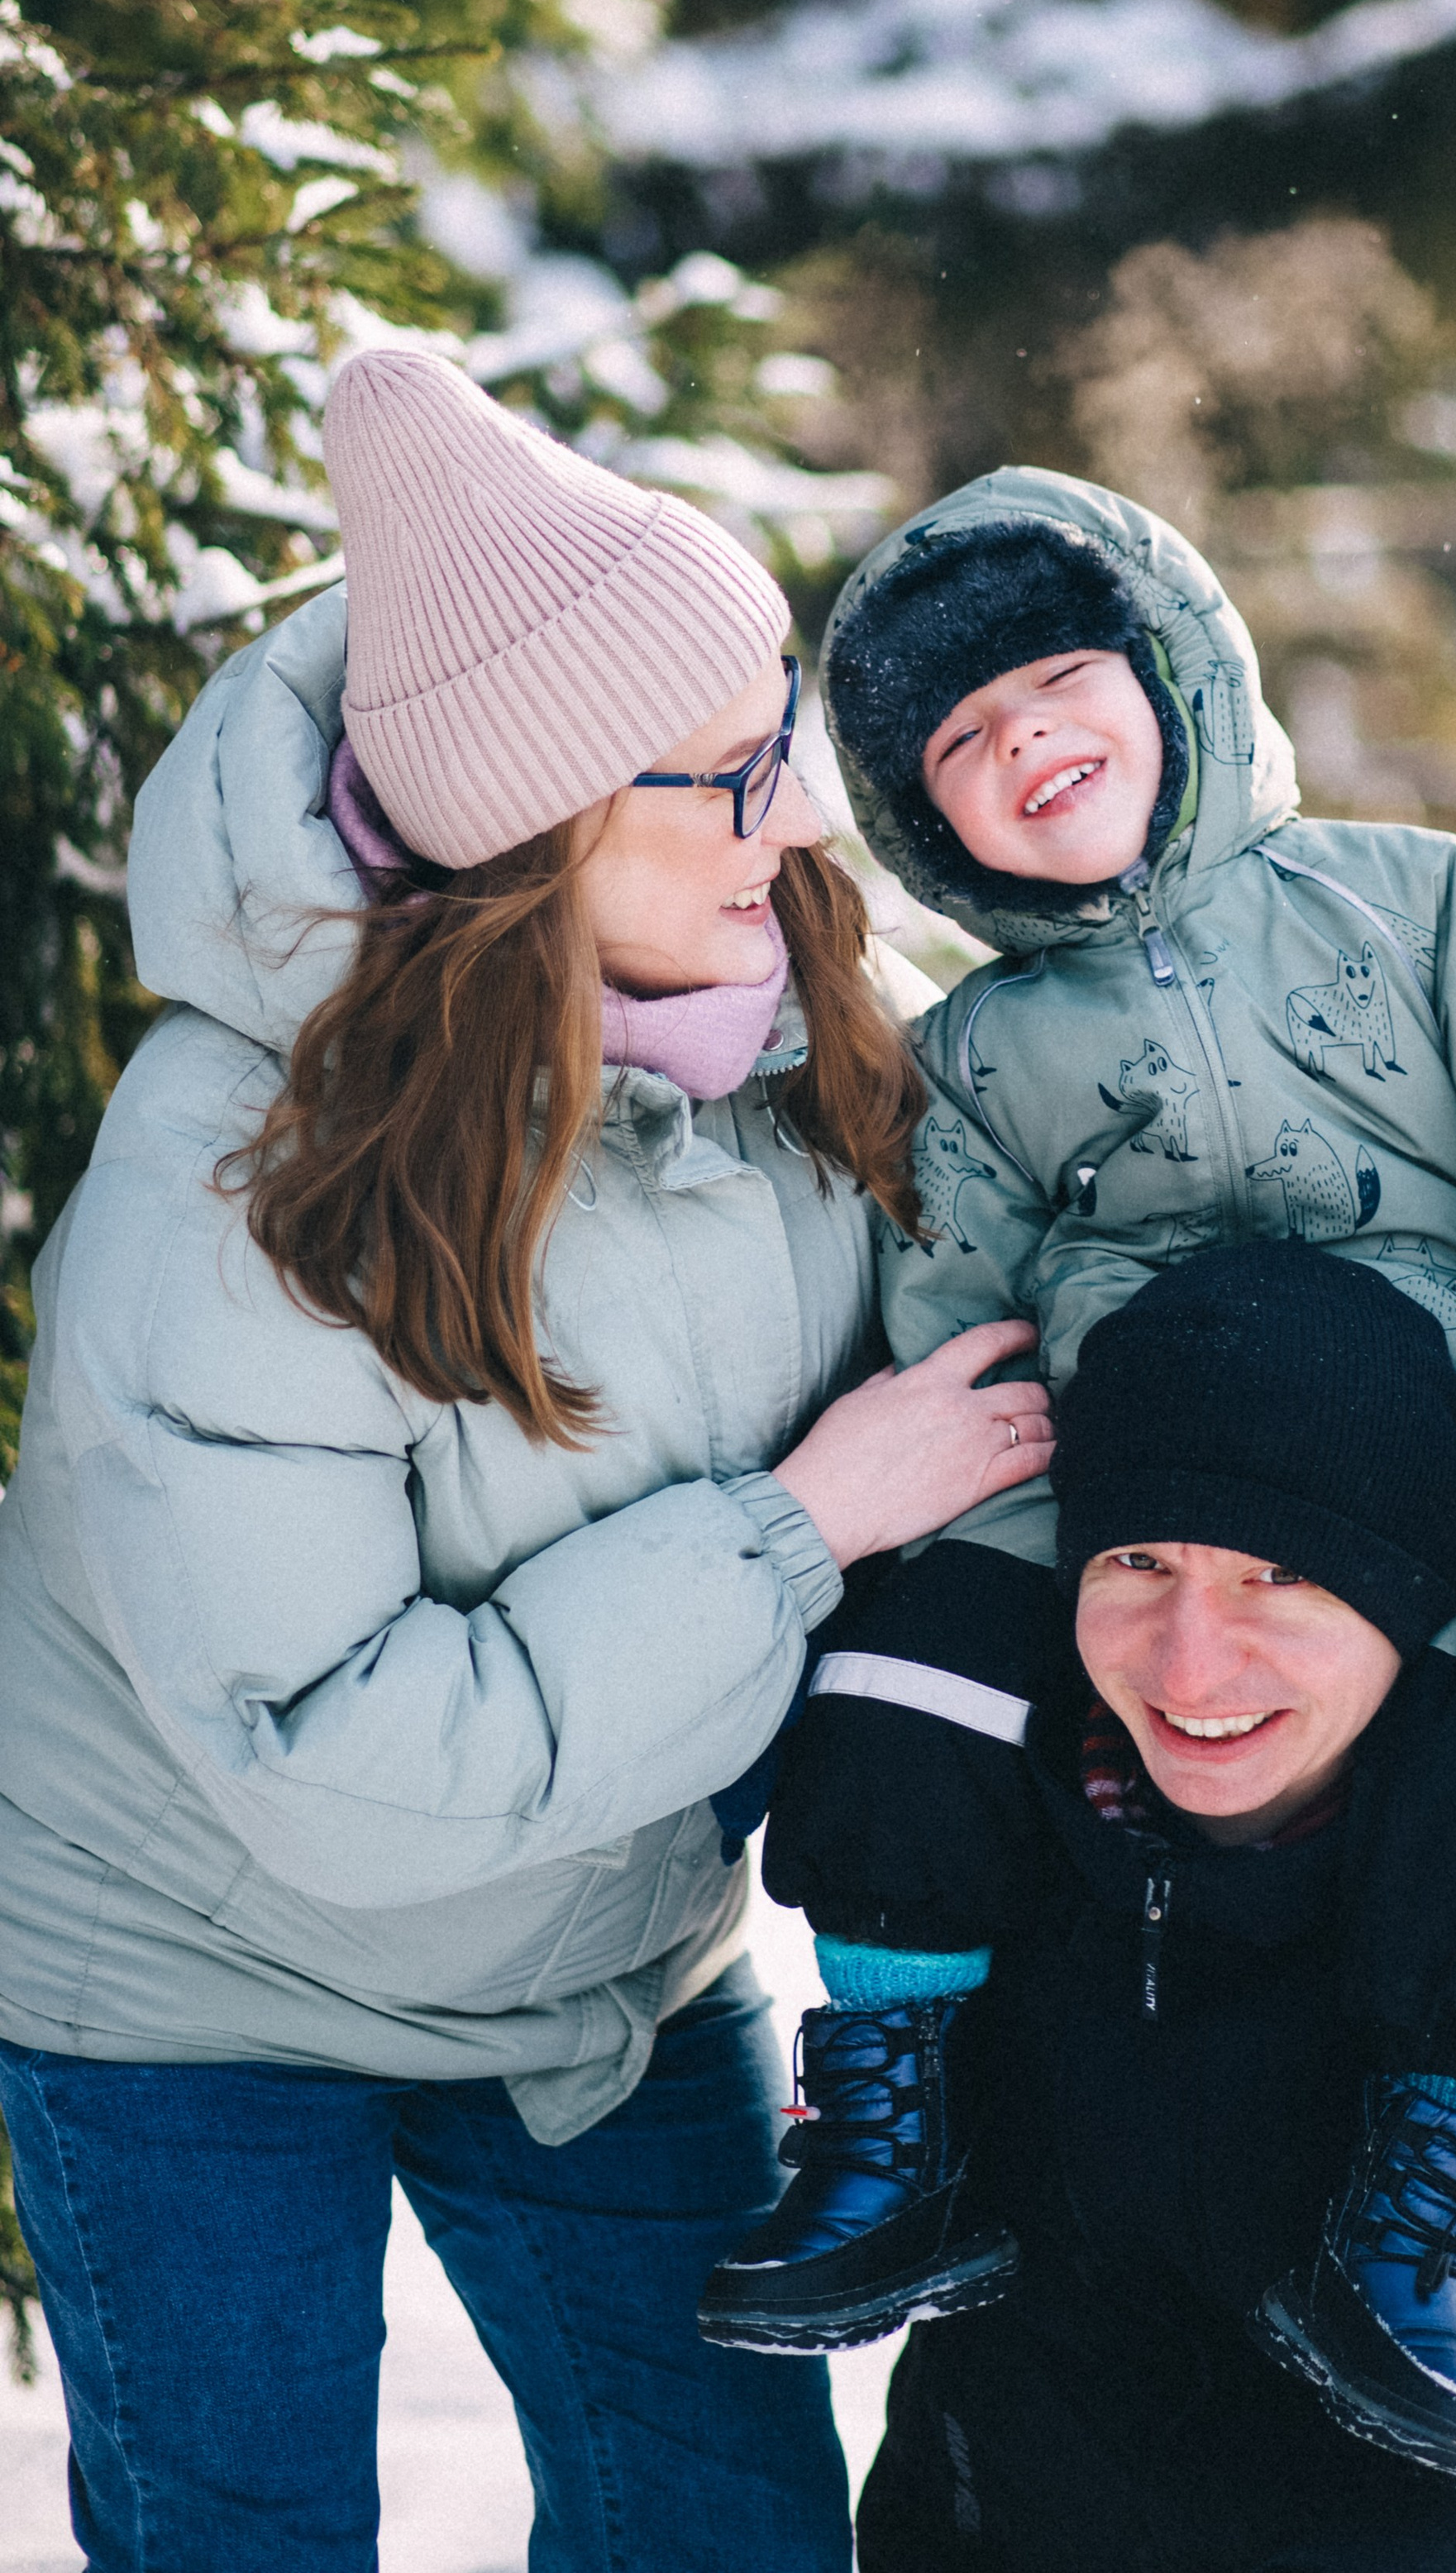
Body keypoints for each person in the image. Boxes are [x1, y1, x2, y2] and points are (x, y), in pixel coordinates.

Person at [0, 351, 1053, 2573]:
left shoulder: (799, 1021)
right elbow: (327, 1752)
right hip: (192, 1979)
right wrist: (796, 1533)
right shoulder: (237, 1190)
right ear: (548, 817)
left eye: (787, 729)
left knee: (733, 2538)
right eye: (732, 763)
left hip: (598, 1965)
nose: (800, 805)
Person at [703, 466, 1456, 2491]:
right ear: (928, 822)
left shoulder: (1413, 898)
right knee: (907, 1674)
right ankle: (899, 2096)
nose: (1027, 744)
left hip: (1450, 1419)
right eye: (962, 743)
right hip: (1104, 1455)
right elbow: (954, 1270)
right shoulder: (978, 1051)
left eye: (1061, 685)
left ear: (1173, 674)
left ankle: (1433, 2189)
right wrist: (940, 1475)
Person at [853, 1244, 1456, 2573]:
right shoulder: (998, 1826)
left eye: (1283, 1574)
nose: (1192, 1658)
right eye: (1138, 1560)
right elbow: (984, 2395)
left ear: (1408, 1594)